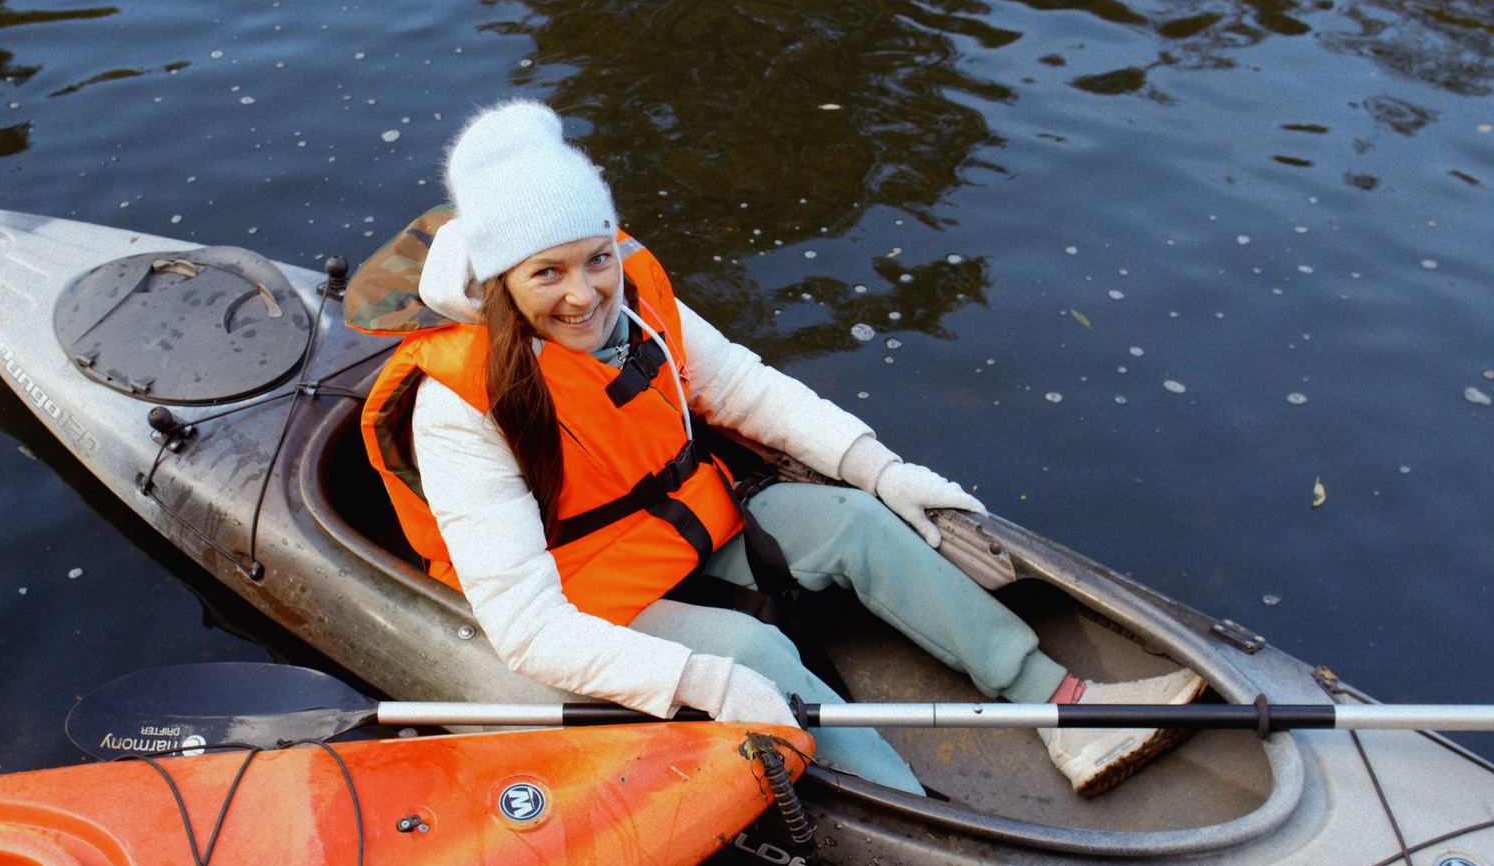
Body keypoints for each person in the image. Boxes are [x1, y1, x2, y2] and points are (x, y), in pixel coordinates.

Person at [360, 101, 1200, 797]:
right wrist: (707, 680)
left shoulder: (633, 293)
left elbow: (741, 385)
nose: (585, 294)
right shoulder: (456, 403)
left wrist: (878, 467)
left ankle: (1063, 705)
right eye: (547, 273)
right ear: (501, 280)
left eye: (596, 258)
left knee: (855, 522)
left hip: (677, 525)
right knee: (756, 655)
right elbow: (525, 626)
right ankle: (912, 811)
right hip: (583, 595)